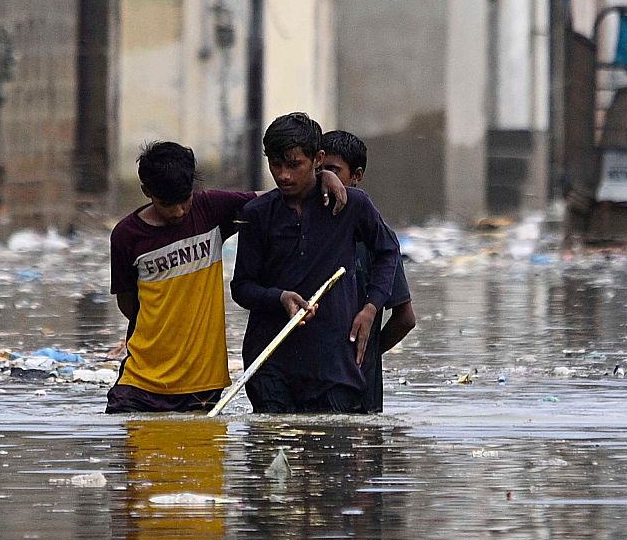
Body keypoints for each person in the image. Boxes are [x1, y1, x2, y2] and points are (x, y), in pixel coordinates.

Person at [107, 140, 346, 414]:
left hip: (201, 386)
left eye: (185, 200)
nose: (179, 212)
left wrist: (322, 176)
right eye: (166, 204)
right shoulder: (126, 236)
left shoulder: (210, 209)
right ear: (146, 191)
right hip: (140, 382)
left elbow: (273, 200)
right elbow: (129, 305)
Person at [231, 113, 402, 413]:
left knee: (330, 451)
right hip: (271, 363)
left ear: (317, 159)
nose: (283, 175)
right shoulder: (257, 214)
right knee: (273, 446)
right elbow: (242, 287)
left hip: (334, 367)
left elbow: (388, 252)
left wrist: (371, 308)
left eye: (294, 164)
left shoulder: (351, 206)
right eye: (275, 164)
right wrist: (278, 297)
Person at [320, 129, 417, 413]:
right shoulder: (303, 225)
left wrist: (366, 350)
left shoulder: (378, 238)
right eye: (320, 169)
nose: (326, 179)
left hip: (360, 390)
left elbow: (405, 318)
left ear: (356, 176)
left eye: (334, 170)